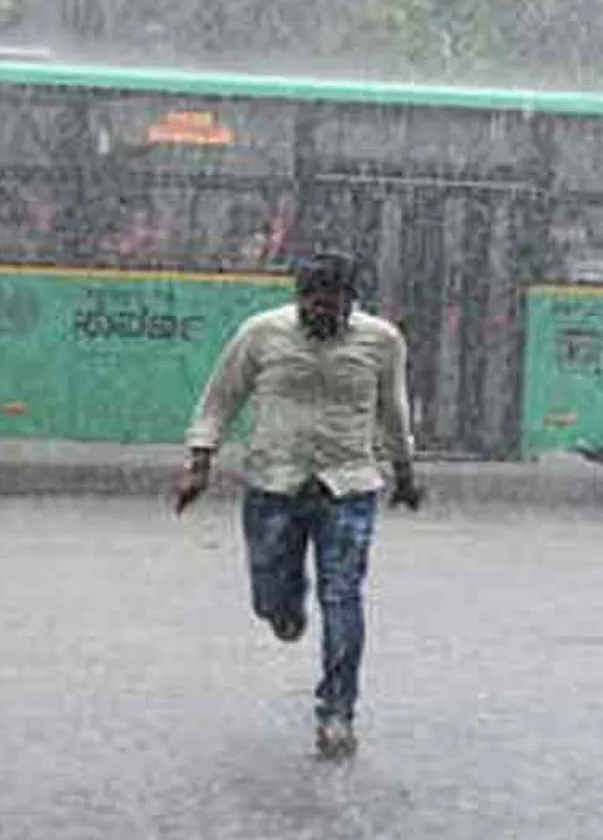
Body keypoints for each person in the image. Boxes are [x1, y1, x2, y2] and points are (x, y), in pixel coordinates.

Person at [173, 251, 423, 759]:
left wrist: (405, 472)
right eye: (314, 304)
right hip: (274, 483)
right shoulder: (261, 334)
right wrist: (200, 463)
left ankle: (337, 712)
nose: (323, 315)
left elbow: (393, 410)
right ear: (298, 300)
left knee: (343, 595)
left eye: (334, 305)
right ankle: (285, 608)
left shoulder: (382, 341)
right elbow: (221, 397)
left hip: (348, 486)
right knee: (271, 595)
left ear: (352, 302)